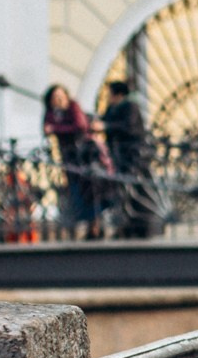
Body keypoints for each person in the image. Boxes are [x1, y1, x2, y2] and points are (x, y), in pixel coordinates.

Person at [41, 83, 113, 239]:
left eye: (61, 96)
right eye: (55, 98)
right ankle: (86, 224)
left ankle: (95, 225)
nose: (58, 100)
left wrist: (56, 128)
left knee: (91, 189)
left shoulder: (73, 107)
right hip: (69, 158)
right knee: (77, 190)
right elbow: (46, 127)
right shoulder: (53, 113)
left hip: (84, 156)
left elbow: (80, 126)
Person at [99, 79, 155, 237]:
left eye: (109, 94)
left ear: (118, 94)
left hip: (132, 154)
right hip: (119, 154)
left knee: (135, 188)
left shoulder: (130, 106)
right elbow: (106, 121)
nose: (107, 97)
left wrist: (106, 127)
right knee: (122, 189)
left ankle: (140, 225)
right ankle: (126, 224)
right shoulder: (112, 108)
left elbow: (128, 127)